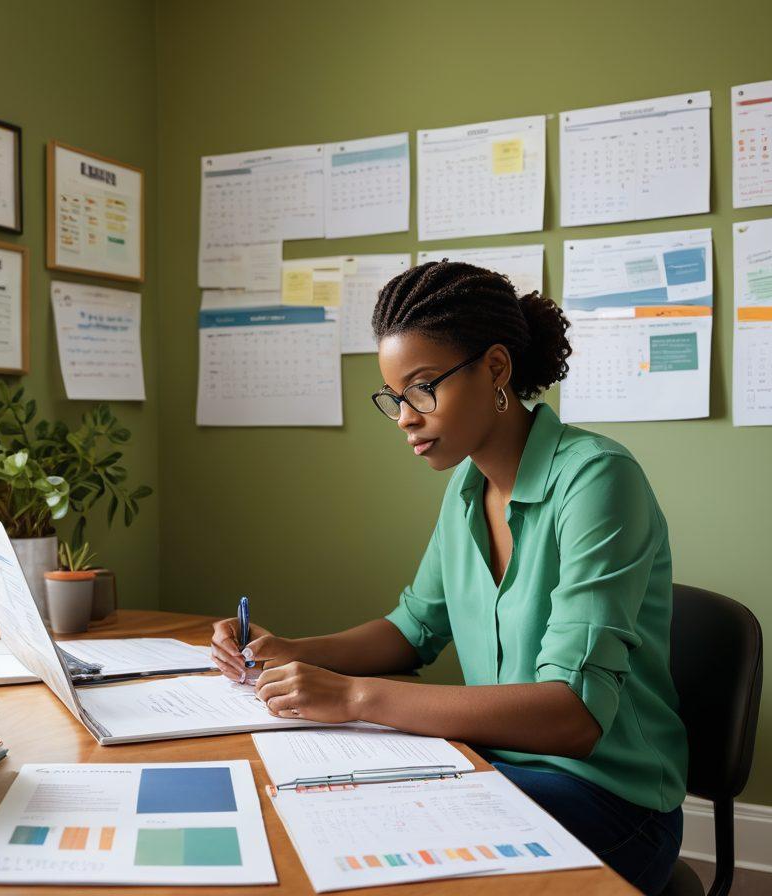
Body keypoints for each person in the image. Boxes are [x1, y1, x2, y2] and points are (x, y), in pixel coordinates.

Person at [211, 260, 688, 893]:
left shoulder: (598, 479)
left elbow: (572, 715)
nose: (406, 416)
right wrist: (289, 653)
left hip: (609, 801)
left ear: (496, 368)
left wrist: (354, 696)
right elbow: (414, 629)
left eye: (424, 387)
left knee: (362, 844)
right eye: (395, 398)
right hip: (485, 764)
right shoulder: (468, 487)